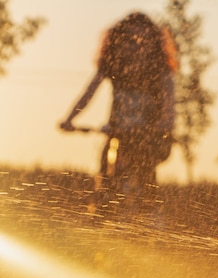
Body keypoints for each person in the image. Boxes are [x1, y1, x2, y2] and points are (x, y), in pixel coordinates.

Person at [59, 12, 177, 214]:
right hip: (117, 132)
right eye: (129, 39)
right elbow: (89, 93)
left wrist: (164, 125)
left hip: (146, 138)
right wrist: (70, 118)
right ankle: (100, 213)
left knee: (145, 174)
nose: (135, 44)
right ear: (119, 40)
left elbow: (169, 105)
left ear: (153, 42)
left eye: (142, 39)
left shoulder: (159, 70)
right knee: (106, 176)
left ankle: (150, 218)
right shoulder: (113, 63)